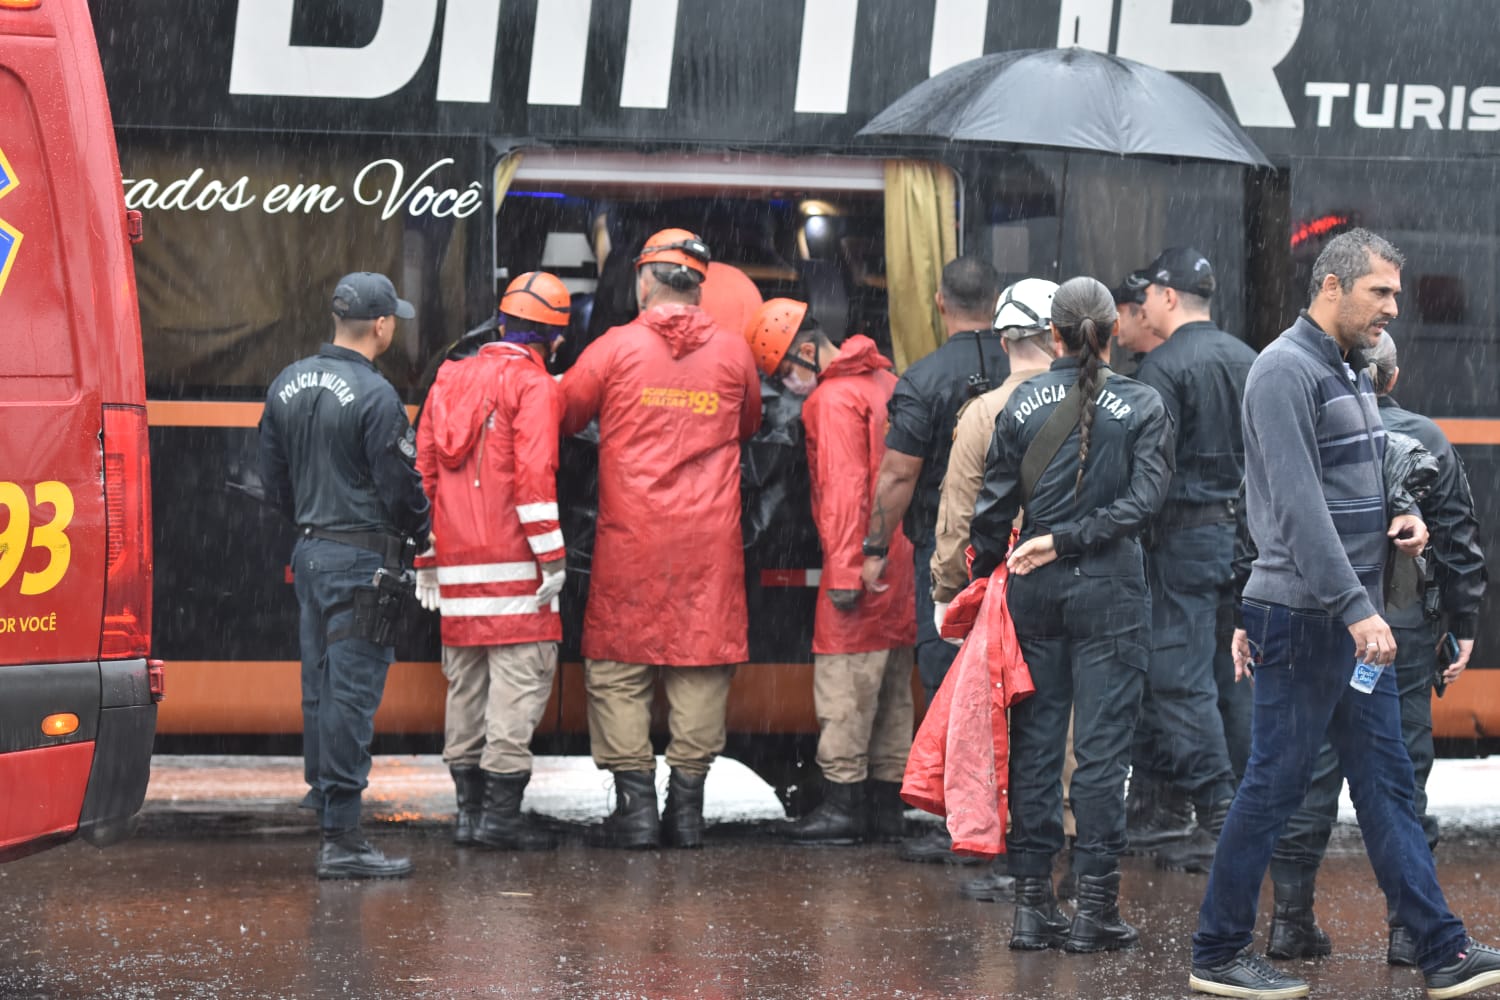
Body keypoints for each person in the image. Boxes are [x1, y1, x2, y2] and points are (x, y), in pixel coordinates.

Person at [1189, 228, 1500, 1000]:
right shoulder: (1283, 371)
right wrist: (1359, 608)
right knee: (1273, 786)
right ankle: (1218, 951)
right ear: (1332, 286)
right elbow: (1292, 510)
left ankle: (1441, 949)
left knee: (1388, 784)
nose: (1394, 307)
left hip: (1342, 622)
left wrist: (1404, 519)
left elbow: (1355, 482)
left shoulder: (1349, 370)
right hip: (1307, 621)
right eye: (1381, 292)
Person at [1264, 329, 1487, 968]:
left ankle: (1289, 921)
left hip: (1315, 614)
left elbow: (1267, 524)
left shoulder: (1312, 432)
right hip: (1401, 627)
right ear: (1390, 378)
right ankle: (1407, 930)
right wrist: (1464, 620)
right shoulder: (1427, 436)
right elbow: (1459, 539)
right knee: (1401, 769)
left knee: (1306, 763)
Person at [969, 276, 1173, 954]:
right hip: (1112, 591)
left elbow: (991, 512)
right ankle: (1094, 911)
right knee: (1100, 756)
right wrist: (1077, 537)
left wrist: (986, 575)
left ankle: (1032, 907)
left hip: (1033, 588)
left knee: (1034, 747)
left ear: (1051, 334)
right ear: (1113, 332)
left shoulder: (1022, 401)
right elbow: (1146, 505)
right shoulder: (1143, 402)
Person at [560, 228, 762, 850]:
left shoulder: (614, 348)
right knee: (700, 666)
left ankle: (636, 811)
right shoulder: (734, 355)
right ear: (700, 286)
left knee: (619, 668)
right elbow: (750, 421)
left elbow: (566, 413)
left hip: (633, 538)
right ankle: (687, 813)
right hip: (710, 544)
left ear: (644, 279)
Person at [259, 272, 431, 879]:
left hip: (312, 553)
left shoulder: (286, 383)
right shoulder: (377, 396)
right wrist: (421, 531)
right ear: (381, 325)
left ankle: (325, 798)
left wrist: (312, 524)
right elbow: (402, 489)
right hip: (363, 564)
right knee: (351, 697)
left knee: (320, 686)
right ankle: (342, 839)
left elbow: (273, 479)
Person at [745, 299, 917, 845]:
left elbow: (844, 493)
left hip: (860, 569)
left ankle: (842, 806)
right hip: (901, 565)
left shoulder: (832, 400)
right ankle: (887, 810)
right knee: (893, 696)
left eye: (784, 371)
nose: (787, 384)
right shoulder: (887, 384)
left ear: (803, 349)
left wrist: (844, 571)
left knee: (844, 693)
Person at [413, 271, 572, 853]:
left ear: (502, 324)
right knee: (516, 693)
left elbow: (423, 476)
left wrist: (426, 557)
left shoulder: (446, 379)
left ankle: (467, 816)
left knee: (466, 694)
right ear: (553, 339)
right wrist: (552, 558)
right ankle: (500, 822)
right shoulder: (535, 386)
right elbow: (534, 479)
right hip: (518, 578)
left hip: (455, 578)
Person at [859, 256, 1007, 863]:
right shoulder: (1025, 371)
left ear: (940, 303)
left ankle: (968, 827)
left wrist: (873, 548)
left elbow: (897, 475)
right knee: (1011, 685)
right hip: (1014, 556)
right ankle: (1010, 818)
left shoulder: (921, 379)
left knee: (950, 684)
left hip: (946, 558)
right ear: (995, 304)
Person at [1117, 248, 1257, 875]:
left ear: (1170, 297)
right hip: (1248, 539)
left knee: (1178, 675)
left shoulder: (1162, 369)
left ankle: (1220, 808)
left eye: (1145, 295)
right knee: (1238, 672)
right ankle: (1251, 807)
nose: (1140, 306)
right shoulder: (1251, 360)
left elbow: (1149, 469)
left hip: (1182, 539)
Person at [928, 277, 1059, 899]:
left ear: (1004, 338)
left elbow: (958, 514)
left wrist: (947, 590)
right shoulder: (1095, 402)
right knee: (1066, 724)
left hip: (1005, 588)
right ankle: (1066, 854)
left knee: (1003, 721)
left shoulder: (984, 413)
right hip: (1077, 578)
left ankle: (1012, 855)